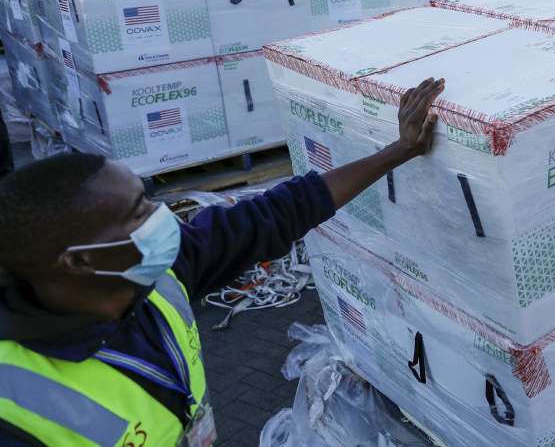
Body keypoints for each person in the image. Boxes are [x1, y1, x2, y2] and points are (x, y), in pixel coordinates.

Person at [0, 78, 445, 447]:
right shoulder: (17, 407)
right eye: (139, 213)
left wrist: (399, 150)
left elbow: (280, 212)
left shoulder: (161, 276)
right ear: (80, 261)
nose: (162, 218)